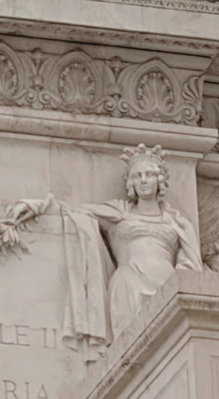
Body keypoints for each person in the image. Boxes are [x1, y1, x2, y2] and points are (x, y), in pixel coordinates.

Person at [13, 145, 201, 360]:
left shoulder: (177, 222)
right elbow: (75, 214)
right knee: (132, 354)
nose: (143, 180)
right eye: (137, 176)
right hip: (129, 284)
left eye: (149, 175)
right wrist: (41, 206)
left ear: (159, 180)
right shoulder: (120, 212)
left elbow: (192, 269)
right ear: (130, 183)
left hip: (166, 284)